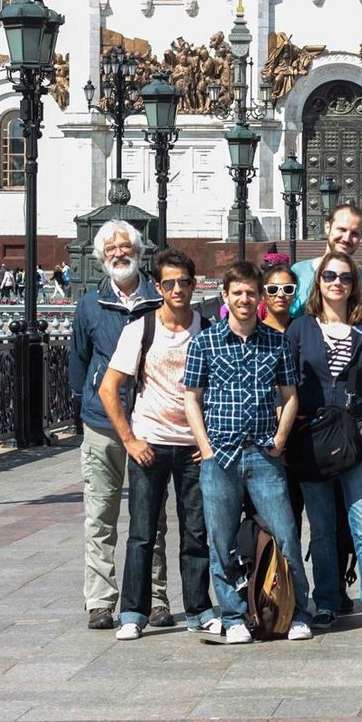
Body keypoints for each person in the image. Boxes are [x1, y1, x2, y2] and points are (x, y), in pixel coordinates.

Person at [183, 261, 312, 644]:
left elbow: (290, 397)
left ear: (258, 299)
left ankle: (297, 610)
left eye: (250, 293)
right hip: (219, 455)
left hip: (261, 454)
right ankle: (234, 615)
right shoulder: (205, 341)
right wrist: (204, 447)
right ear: (225, 296)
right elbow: (191, 397)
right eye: (237, 292)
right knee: (220, 539)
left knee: (286, 532)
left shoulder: (277, 342)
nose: (244, 299)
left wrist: (280, 440)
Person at [98, 247, 214, 639]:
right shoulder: (141, 329)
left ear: (195, 286)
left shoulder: (208, 329)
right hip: (151, 443)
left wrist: (208, 438)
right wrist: (129, 439)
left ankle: (199, 608)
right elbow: (108, 388)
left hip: (194, 446)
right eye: (169, 283)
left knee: (196, 531)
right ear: (159, 287)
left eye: (184, 282)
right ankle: (133, 612)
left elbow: (219, 390)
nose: (177, 289)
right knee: (143, 532)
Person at [286, 252, 362, 633]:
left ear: (355, 285)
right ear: (318, 282)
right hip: (312, 440)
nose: (337, 283)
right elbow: (285, 387)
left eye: (345, 277)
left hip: (357, 437)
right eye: (330, 276)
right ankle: (328, 600)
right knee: (321, 527)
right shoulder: (300, 329)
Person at [69, 220, 169, 631]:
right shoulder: (90, 304)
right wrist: (89, 404)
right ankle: (99, 601)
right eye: (109, 248)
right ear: (100, 257)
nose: (118, 252)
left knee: (152, 519)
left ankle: (157, 597)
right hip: (102, 425)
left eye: (125, 245)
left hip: (149, 423)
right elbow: (78, 361)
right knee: (100, 515)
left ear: (139, 251)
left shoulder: (158, 298)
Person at [290, 204, 362, 317]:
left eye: (354, 234)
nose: (346, 238)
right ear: (327, 228)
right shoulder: (298, 272)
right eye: (342, 230)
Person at [261, 264, 297, 333]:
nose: (281, 295)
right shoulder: (256, 333)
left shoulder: (304, 330)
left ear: (294, 293)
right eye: (272, 289)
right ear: (263, 294)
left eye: (288, 289)